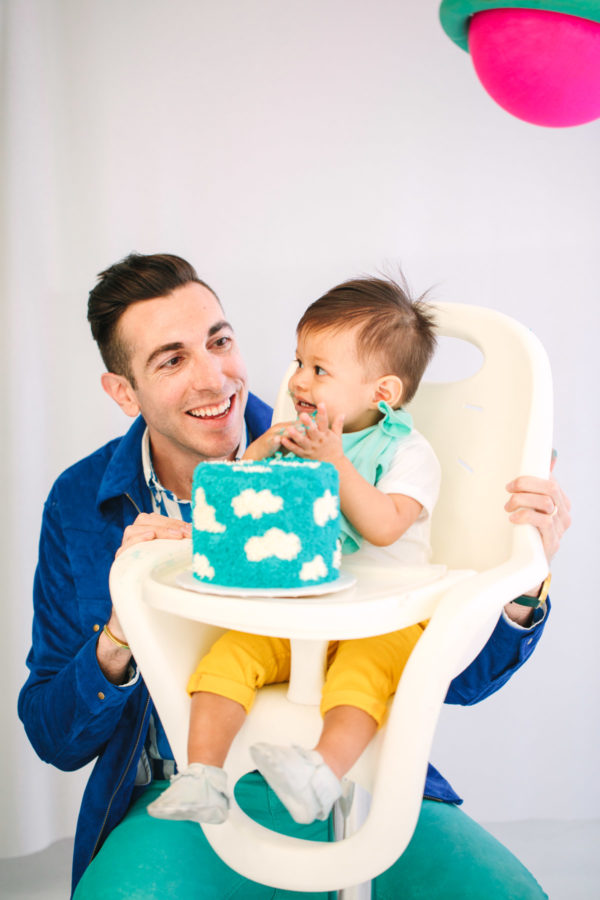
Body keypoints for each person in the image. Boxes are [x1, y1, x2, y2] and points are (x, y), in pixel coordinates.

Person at [18, 252, 571, 899]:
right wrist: (121, 624)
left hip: (357, 767)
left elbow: (457, 678)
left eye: (220, 341)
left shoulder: (343, 451)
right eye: (172, 360)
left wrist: (522, 579)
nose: (215, 378)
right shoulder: (81, 504)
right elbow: (55, 737)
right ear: (123, 392)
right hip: (184, 787)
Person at [147, 278, 442, 827]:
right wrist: (257, 459)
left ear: (383, 393)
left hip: (381, 622)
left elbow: (382, 527)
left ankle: (321, 776)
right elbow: (248, 517)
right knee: (227, 659)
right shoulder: (300, 438)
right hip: (301, 608)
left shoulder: (408, 452)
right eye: (299, 361)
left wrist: (335, 462)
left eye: (320, 369)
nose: (299, 379)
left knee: (362, 679)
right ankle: (202, 775)